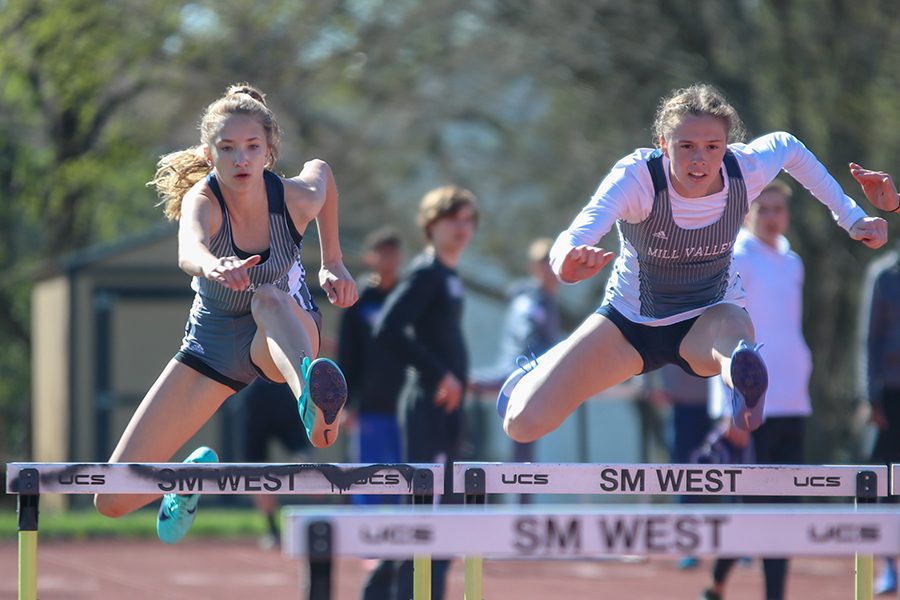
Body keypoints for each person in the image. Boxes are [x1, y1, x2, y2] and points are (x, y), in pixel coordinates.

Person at [499, 83, 887, 451]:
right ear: (663, 145)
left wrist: (852, 218)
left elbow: (790, 148)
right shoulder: (638, 178)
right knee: (523, 423)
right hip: (630, 325)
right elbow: (575, 235)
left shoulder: (744, 170)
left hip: (708, 318)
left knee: (734, 334)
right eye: (686, 146)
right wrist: (568, 264)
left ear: (726, 146)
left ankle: (742, 378)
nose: (700, 159)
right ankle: (540, 368)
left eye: (712, 146)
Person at [93, 83, 358, 545]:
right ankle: (184, 482)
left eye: (253, 147)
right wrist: (214, 265)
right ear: (208, 153)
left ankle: (311, 400)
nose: (241, 160)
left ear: (269, 152)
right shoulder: (204, 200)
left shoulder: (293, 198)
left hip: (285, 334)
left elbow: (324, 174)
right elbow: (188, 248)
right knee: (112, 499)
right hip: (213, 347)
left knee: (267, 297)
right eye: (228, 148)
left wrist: (331, 261)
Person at [700, 180, 813, 600]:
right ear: (747, 213)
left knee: (785, 509)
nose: (772, 217)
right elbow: (721, 334)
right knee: (749, 507)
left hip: (794, 399)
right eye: (763, 209)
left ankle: (773, 595)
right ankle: (717, 583)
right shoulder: (736, 258)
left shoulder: (794, 262)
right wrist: (728, 407)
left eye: (779, 209)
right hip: (750, 403)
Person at [369, 185, 478, 600]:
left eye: (469, 221)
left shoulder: (449, 276)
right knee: (428, 511)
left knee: (445, 510)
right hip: (428, 406)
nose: (463, 229)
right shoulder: (426, 272)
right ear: (432, 225)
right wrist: (439, 376)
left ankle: (401, 592)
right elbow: (388, 328)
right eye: (454, 219)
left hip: (449, 409)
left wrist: (462, 378)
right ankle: (393, 591)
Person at [471, 237, 563, 473]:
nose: (550, 268)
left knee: (525, 442)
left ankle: (523, 505)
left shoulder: (545, 300)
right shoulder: (531, 301)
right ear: (534, 267)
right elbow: (526, 344)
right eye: (544, 261)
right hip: (518, 375)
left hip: (527, 375)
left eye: (553, 260)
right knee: (521, 439)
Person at [337, 227, 406, 505]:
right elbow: (348, 354)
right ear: (370, 258)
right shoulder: (359, 299)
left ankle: (409, 539)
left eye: (392, 254)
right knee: (366, 474)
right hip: (368, 406)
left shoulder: (409, 296)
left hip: (405, 406)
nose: (387, 260)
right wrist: (345, 404)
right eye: (382, 254)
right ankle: (367, 539)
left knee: (408, 473)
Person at [642, 363, 712, 570]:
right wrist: (648, 385)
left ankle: (736, 548)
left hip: (719, 411)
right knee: (683, 479)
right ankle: (688, 546)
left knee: (728, 477)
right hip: (681, 409)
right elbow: (646, 344)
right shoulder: (665, 328)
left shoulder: (717, 328)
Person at [859, 245, 900, 595]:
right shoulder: (884, 275)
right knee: (887, 485)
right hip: (890, 394)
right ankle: (889, 566)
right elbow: (868, 340)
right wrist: (871, 397)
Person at [236, 378, 310, 549]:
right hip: (276, 391)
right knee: (299, 456)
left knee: (256, 470)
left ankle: (275, 531)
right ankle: (281, 530)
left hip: (260, 391)